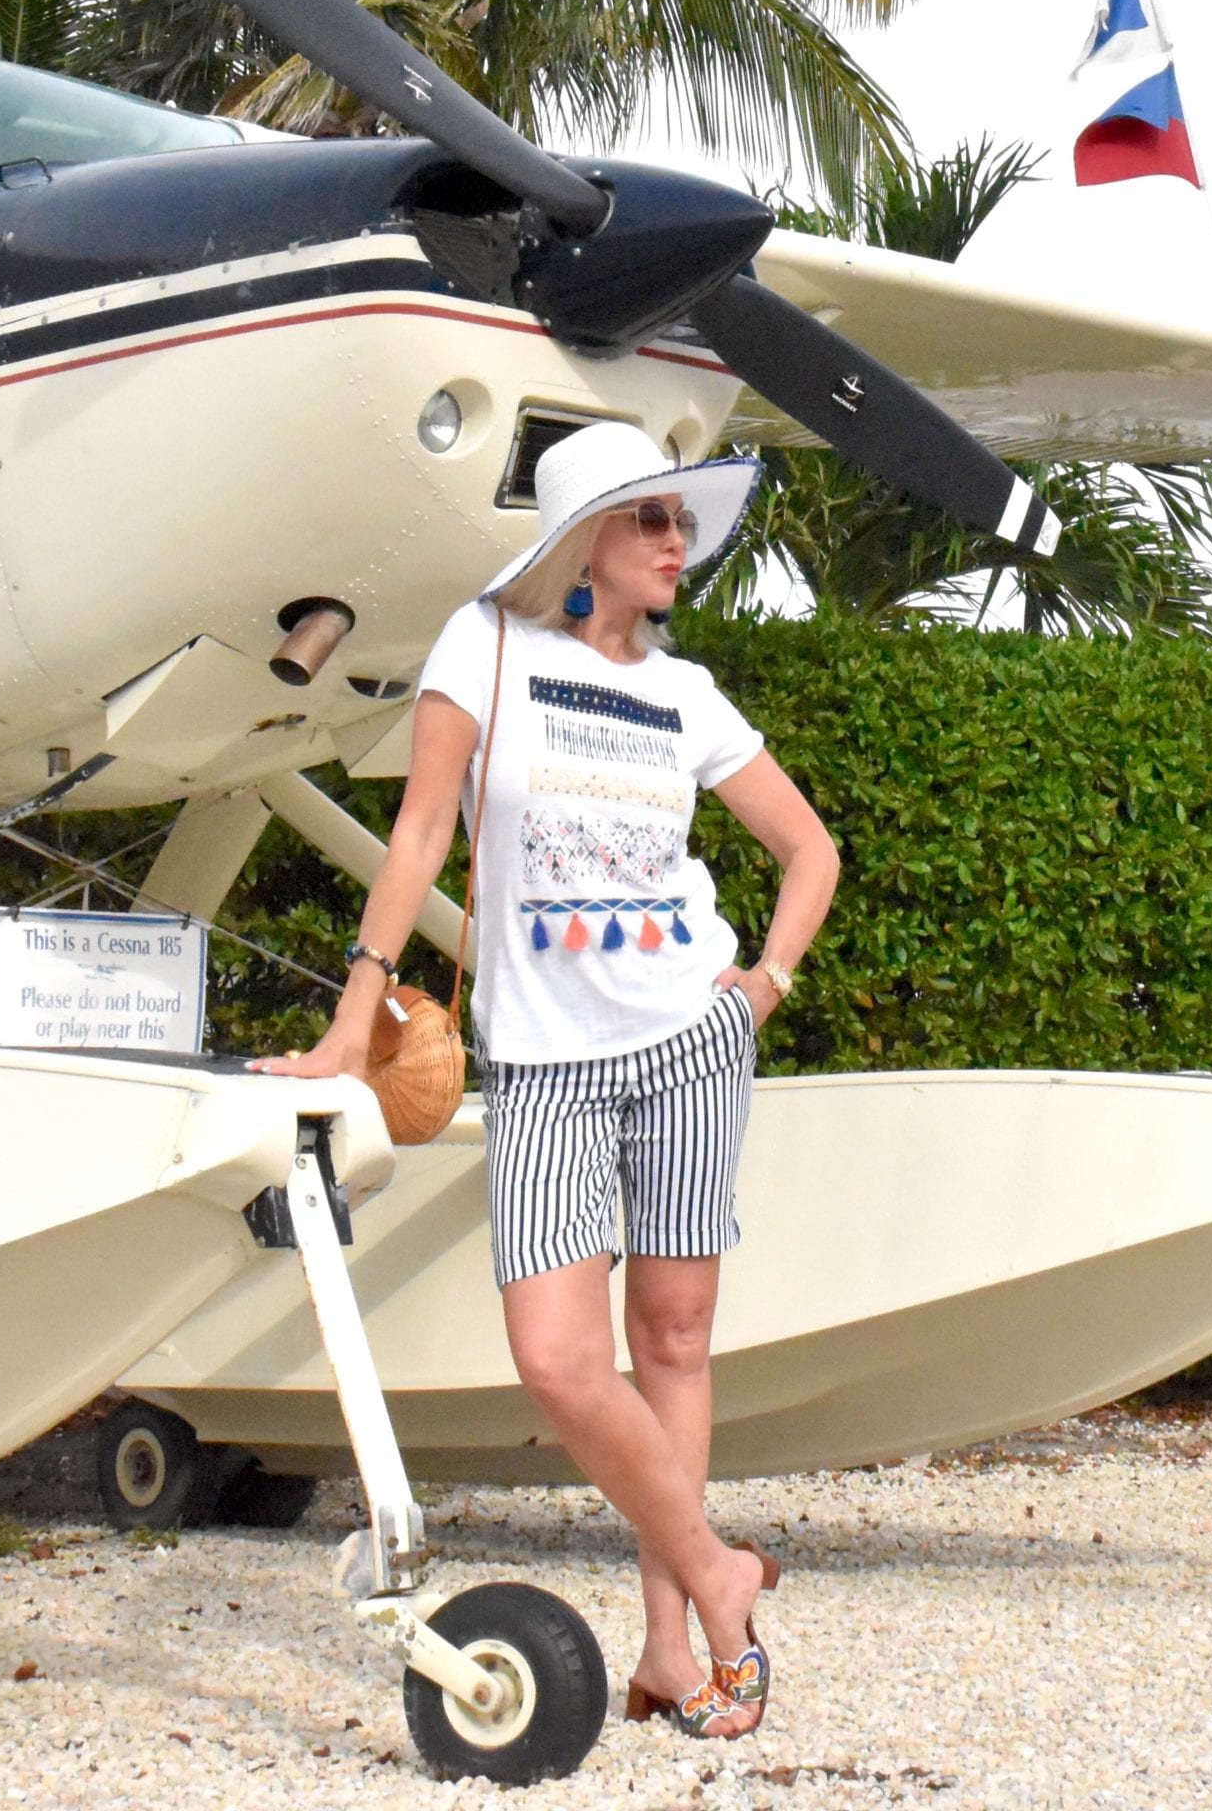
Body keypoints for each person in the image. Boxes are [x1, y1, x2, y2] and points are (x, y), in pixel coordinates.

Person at [260, 421, 839, 1739]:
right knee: (561, 1361)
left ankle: (671, 1650)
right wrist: (353, 1025)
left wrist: (765, 984)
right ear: (586, 537)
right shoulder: (491, 644)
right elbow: (418, 830)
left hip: (688, 1042)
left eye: (683, 523)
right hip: (540, 1062)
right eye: (653, 522)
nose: (676, 544)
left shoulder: (688, 696)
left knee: (674, 1342)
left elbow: (810, 851)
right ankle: (716, 1567)